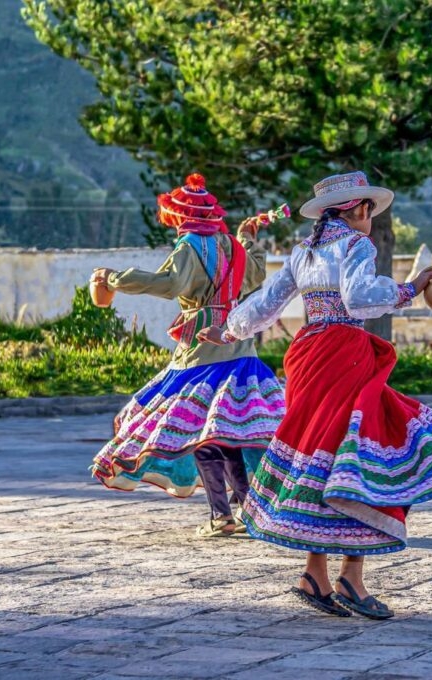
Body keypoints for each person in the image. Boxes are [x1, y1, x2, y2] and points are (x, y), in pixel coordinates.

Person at [198, 171, 432, 616]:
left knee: (321, 460)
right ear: (359, 210)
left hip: (307, 356)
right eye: (369, 210)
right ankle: (350, 578)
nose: (370, 217)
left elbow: (265, 304)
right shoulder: (357, 245)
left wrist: (227, 330)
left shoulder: (303, 252)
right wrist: (411, 287)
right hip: (344, 355)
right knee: (361, 459)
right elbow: (360, 298)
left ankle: (316, 573)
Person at [90, 173, 286, 537]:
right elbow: (255, 274)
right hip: (239, 345)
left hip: (200, 352)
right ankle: (248, 510)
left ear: (180, 217)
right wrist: (248, 239)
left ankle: (221, 515)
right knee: (229, 434)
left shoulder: (190, 246)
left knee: (202, 435)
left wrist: (116, 279)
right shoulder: (232, 245)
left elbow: (169, 285)